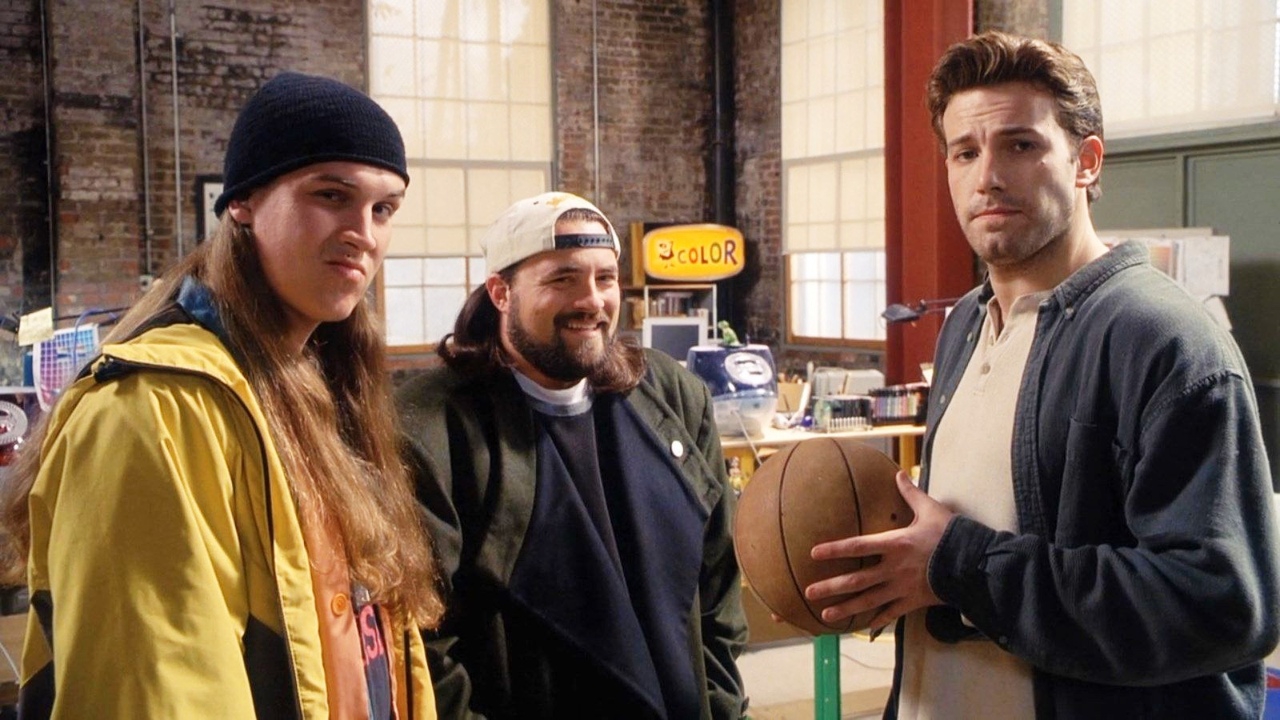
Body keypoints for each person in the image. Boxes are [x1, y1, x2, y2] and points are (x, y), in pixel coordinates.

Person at [805, 31, 1280, 718]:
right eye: (965, 152)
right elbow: (954, 569)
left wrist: (961, 566)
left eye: (1021, 145)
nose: (988, 177)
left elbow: (1222, 605)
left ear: (1087, 161)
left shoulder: (1164, 341)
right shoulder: (966, 325)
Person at [0, 71, 443, 718]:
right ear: (243, 202)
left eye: (384, 209)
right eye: (331, 195)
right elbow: (156, 690)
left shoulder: (325, 389)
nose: (364, 233)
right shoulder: (152, 409)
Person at [396, 191, 748, 719]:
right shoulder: (430, 429)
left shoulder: (673, 397)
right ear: (501, 293)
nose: (592, 300)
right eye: (562, 279)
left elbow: (718, 585)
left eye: (605, 278)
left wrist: (722, 708)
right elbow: (422, 644)